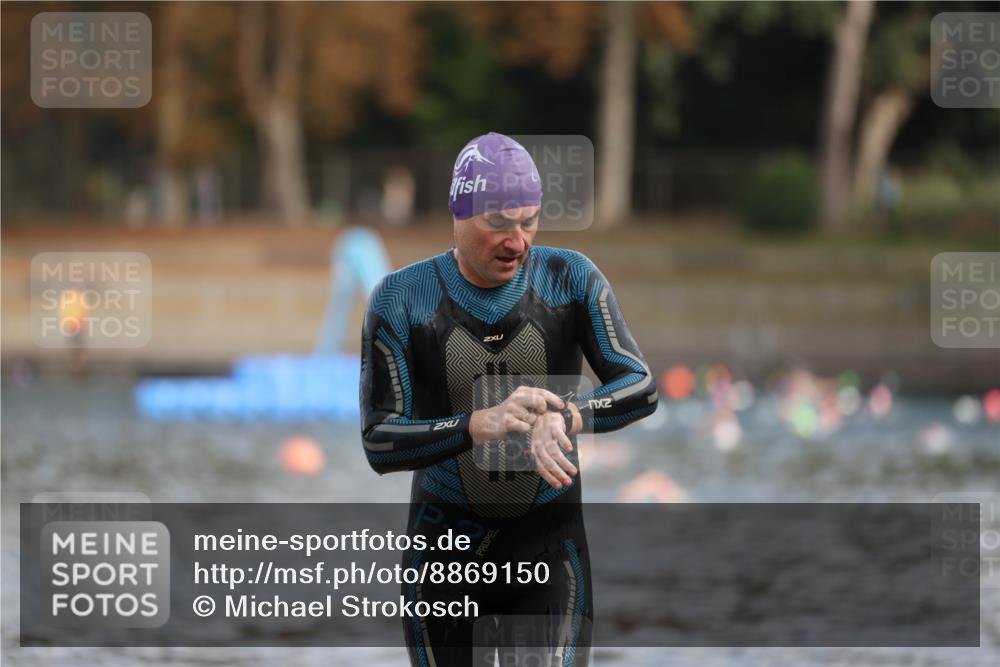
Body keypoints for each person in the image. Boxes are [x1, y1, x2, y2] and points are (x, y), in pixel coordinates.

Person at [360, 132, 657, 666]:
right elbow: (379, 441)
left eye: (529, 222)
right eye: (499, 223)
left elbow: (640, 385)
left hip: (549, 559)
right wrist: (476, 425)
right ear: (459, 213)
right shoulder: (402, 298)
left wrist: (570, 415)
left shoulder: (569, 279)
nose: (517, 242)